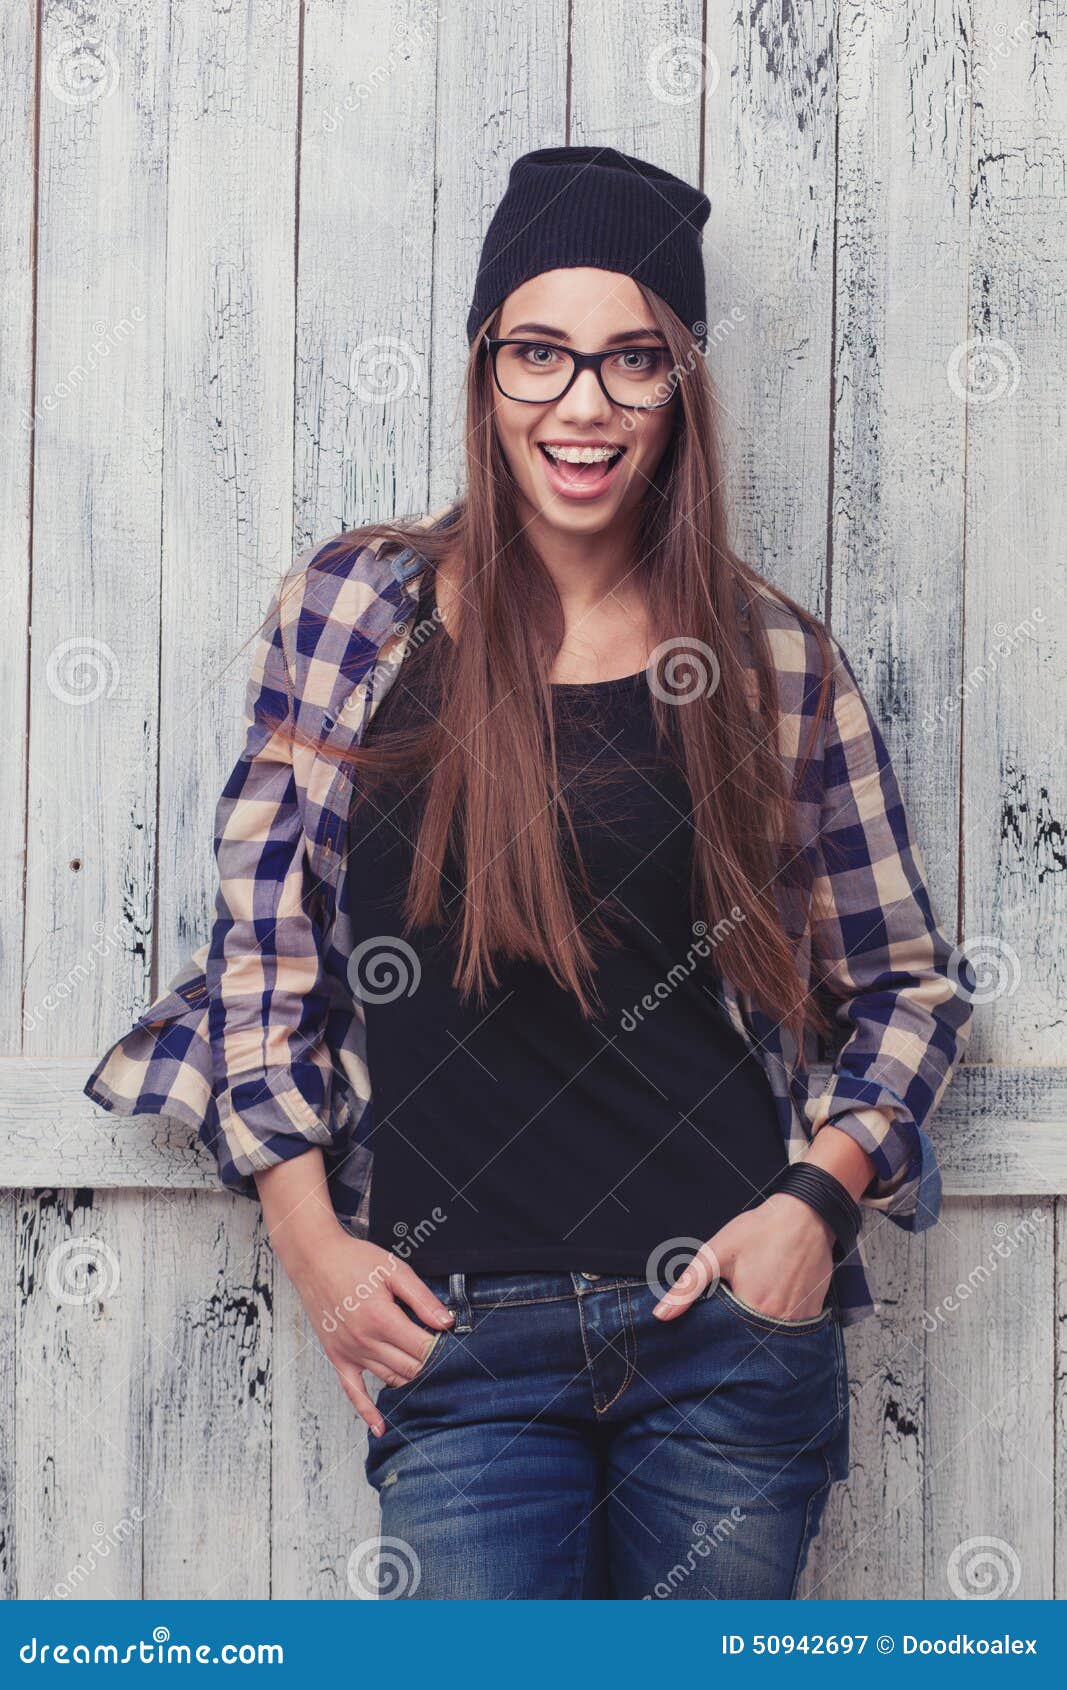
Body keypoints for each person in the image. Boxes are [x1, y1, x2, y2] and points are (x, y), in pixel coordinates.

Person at [85, 146, 975, 1599]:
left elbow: (907, 986)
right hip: (461, 1339)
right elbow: (265, 969)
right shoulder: (354, 617)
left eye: (633, 360)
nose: (584, 404)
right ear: (485, 370)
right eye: (541, 354)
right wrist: (313, 1245)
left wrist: (815, 1203)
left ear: (682, 384)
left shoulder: (771, 663)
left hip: (724, 1335)